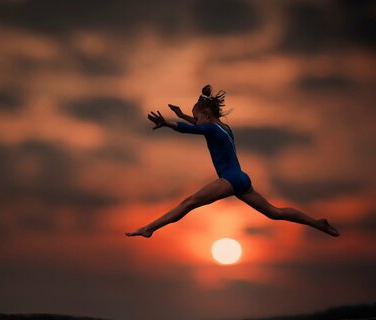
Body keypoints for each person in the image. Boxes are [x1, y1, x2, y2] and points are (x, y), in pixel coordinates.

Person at [125, 84, 340, 238]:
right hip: (242, 180)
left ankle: (149, 228)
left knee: (189, 202)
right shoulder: (224, 128)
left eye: (197, 116)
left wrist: (169, 123)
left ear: (206, 114)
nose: (196, 120)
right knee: (275, 213)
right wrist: (183, 115)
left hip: (230, 178)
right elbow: (200, 125)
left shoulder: (209, 128)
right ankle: (316, 223)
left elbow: (191, 130)